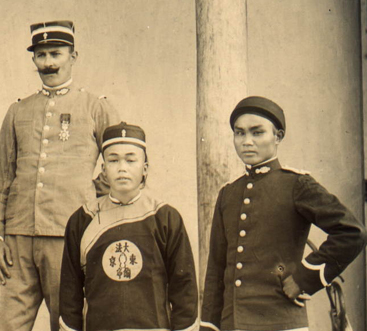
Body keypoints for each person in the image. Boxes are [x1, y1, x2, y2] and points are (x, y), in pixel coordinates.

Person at [200, 96, 367, 331]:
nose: (247, 141)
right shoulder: (228, 193)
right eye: (240, 133)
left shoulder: (297, 185)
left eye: (257, 133)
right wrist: (209, 327)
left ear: (277, 137)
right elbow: (216, 270)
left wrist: (304, 278)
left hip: (281, 323)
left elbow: (352, 232)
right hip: (233, 324)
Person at [0, 20, 120, 331]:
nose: (49, 63)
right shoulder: (17, 111)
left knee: (66, 322)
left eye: (56, 53)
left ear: (73, 56)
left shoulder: (95, 106)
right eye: (41, 55)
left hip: (66, 234)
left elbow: (122, 163)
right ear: (34, 60)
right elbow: (3, 177)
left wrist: (89, 194)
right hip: (17, 237)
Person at [59, 122, 198, 331]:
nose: (122, 168)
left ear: (145, 168)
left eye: (130, 160)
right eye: (113, 160)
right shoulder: (83, 219)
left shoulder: (164, 217)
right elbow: (70, 292)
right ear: (104, 169)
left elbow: (184, 287)